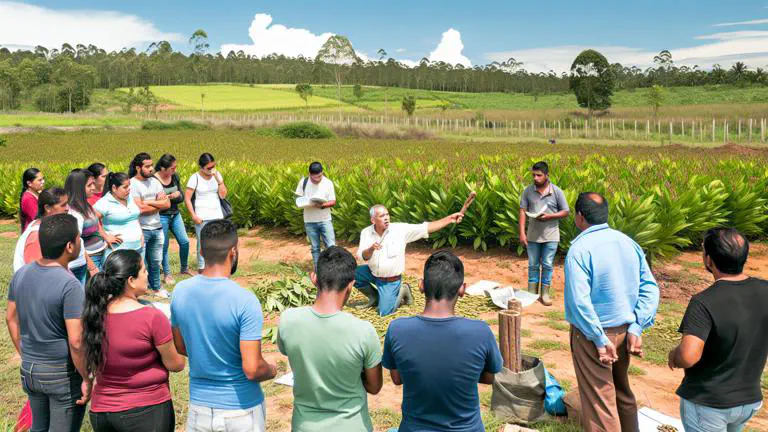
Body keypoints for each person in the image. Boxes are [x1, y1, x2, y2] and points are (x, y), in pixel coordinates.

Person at [564, 192, 659, 432]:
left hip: (593, 336)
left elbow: (580, 301)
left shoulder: (580, 250)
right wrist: (637, 327)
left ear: (579, 217)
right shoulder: (628, 243)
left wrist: (597, 338)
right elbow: (650, 288)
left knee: (600, 401)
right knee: (621, 391)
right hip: (625, 332)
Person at [171, 219, 276, 432]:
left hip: (199, 408)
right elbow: (252, 368)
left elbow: (181, 347)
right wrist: (272, 369)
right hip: (241, 408)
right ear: (233, 252)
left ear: (201, 250)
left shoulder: (180, 292)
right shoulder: (245, 301)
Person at [381, 250, 503, 431]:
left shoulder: (397, 329)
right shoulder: (480, 331)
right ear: (462, 289)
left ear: (421, 286)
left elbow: (397, 378)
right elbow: (491, 376)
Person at [668, 228, 768, 432]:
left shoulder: (703, 302)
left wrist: (674, 355)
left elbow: (688, 356)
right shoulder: (765, 289)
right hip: (748, 400)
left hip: (709, 402)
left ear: (709, 260)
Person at [278, 246, 382, 431]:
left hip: (305, 426)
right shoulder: (363, 331)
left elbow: (289, 351)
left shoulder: (289, 319)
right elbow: (374, 387)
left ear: (314, 278)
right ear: (351, 284)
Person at [83, 249, 186, 432]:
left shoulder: (94, 314)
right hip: (145, 410)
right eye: (144, 271)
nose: (147, 275)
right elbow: (176, 364)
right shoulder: (151, 317)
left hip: (101, 412)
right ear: (131, 280)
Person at [6, 213, 91, 431]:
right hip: (60, 374)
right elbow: (76, 341)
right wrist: (86, 377)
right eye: (80, 238)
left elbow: (10, 318)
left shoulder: (22, 274)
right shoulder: (70, 285)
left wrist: (25, 354)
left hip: (30, 370)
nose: (81, 242)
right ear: (70, 246)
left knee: (38, 428)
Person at [355, 204, 464, 316]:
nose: (386, 218)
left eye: (387, 214)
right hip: (373, 273)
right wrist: (371, 249)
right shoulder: (366, 232)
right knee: (352, 274)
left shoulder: (400, 230)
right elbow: (362, 257)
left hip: (391, 280)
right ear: (373, 220)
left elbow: (425, 228)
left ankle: (402, 290)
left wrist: (449, 219)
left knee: (384, 312)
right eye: (382, 216)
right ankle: (375, 297)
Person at [519, 161, 570, 306]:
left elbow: (566, 211)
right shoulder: (528, 191)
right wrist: (522, 233)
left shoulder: (556, 191)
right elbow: (522, 211)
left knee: (547, 264)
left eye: (539, 175)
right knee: (533, 265)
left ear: (547, 175)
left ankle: (545, 294)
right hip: (533, 235)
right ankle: (531, 294)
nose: (535, 178)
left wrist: (550, 216)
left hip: (551, 236)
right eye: (534, 175)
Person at [129, 153, 169, 296]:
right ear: (138, 168)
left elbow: (167, 203)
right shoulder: (132, 184)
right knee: (141, 263)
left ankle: (156, 288)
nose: (151, 169)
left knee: (156, 261)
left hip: (157, 227)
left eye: (151, 165)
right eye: (147, 166)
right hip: (142, 229)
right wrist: (158, 204)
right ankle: (142, 289)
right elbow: (140, 210)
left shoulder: (155, 182)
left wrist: (148, 202)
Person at [65, 169, 112, 282]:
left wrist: (105, 240)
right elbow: (77, 241)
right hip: (90, 258)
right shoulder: (74, 212)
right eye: (89, 185)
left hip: (100, 252)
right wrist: (91, 266)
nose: (93, 188)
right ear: (78, 188)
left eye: (93, 184)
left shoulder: (86, 204)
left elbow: (97, 225)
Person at [184, 153, 228, 271]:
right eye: (208, 168)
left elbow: (223, 195)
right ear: (201, 167)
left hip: (217, 215)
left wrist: (219, 180)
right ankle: (202, 268)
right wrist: (193, 215)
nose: (211, 170)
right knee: (203, 244)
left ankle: (216, 266)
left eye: (213, 166)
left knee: (217, 242)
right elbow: (187, 198)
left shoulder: (217, 175)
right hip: (202, 216)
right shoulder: (195, 178)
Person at [155, 154, 191, 284]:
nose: (174, 170)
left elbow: (181, 197)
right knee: (164, 246)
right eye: (172, 168)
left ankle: (184, 268)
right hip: (161, 216)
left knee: (185, 241)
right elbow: (155, 201)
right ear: (163, 168)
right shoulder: (154, 180)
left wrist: (170, 197)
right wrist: (171, 196)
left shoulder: (175, 177)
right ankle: (167, 274)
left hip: (175, 214)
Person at [13, 187, 69, 272]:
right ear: (47, 208)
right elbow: (35, 274)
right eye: (63, 205)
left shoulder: (47, 227)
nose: (67, 208)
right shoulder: (37, 236)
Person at [295, 161, 337, 270]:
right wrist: (304, 203)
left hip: (325, 220)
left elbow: (333, 201)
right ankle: (318, 270)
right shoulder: (303, 182)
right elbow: (298, 198)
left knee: (331, 246)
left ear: (322, 172)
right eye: (314, 178)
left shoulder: (328, 183)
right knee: (315, 248)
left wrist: (322, 205)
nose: (317, 179)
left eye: (319, 176)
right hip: (309, 221)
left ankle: (333, 269)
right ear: (309, 174)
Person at [94, 172, 143, 262]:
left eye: (129, 186)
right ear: (114, 188)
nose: (129, 189)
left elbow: (135, 218)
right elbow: (91, 220)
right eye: (125, 187)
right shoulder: (105, 202)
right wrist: (106, 236)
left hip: (138, 248)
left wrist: (141, 234)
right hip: (118, 253)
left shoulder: (129, 198)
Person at [19, 168, 44, 232]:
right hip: (34, 233)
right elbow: (38, 219)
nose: (43, 181)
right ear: (29, 183)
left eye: (43, 179)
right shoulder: (28, 198)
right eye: (39, 180)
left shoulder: (37, 193)